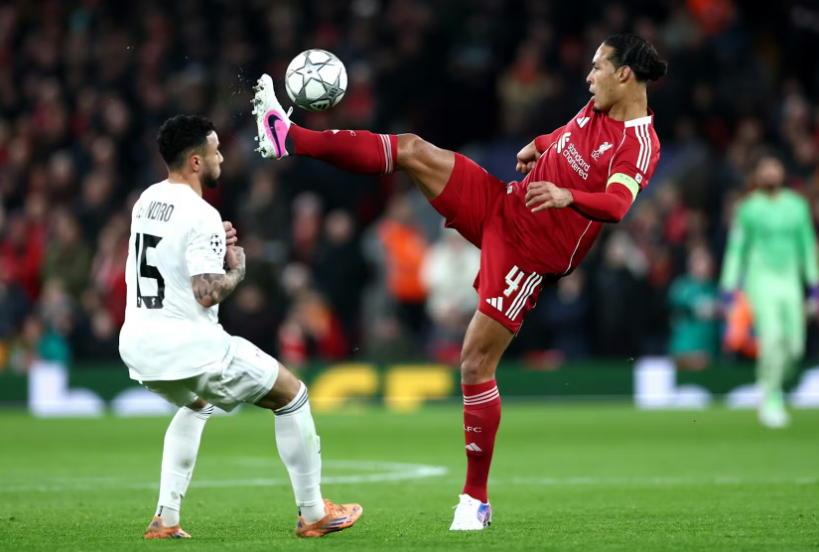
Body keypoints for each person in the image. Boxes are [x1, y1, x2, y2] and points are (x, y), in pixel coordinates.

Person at [252, 33, 665, 531]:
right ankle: (287, 137)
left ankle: (475, 501)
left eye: (597, 67)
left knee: (473, 365)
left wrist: (566, 196)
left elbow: (617, 204)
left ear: (624, 74)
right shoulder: (597, 107)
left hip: (530, 254)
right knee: (412, 149)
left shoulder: (639, 143)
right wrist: (539, 145)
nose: (588, 76)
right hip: (503, 204)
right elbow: (570, 135)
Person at [118, 115, 362, 539]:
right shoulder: (202, 214)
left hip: (138, 344)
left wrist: (213, 246)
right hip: (189, 346)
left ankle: (166, 518)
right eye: (215, 151)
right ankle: (313, 514)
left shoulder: (147, 200)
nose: (222, 158)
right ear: (196, 161)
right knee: (293, 395)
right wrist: (236, 271)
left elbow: (169, 255)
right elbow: (206, 292)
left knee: (198, 404)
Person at [720, 154, 819, 428]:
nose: (770, 173)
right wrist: (728, 286)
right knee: (772, 338)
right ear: (757, 175)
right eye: (765, 169)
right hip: (760, 280)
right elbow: (737, 249)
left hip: (790, 281)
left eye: (775, 167)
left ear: (783, 172)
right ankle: (772, 398)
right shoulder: (748, 208)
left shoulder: (797, 206)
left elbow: (806, 246)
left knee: (795, 347)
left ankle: (768, 383)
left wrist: (814, 285)